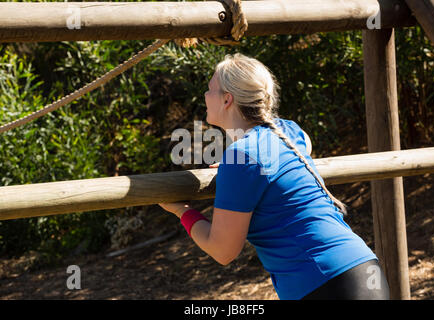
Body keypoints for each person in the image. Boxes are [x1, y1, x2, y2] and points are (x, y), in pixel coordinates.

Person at [159, 53, 390, 300]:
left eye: (210, 89)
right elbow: (302, 148)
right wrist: (236, 171)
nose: (205, 95)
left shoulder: (243, 155)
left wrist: (182, 211)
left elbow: (223, 250)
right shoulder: (287, 132)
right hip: (363, 269)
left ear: (227, 99)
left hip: (325, 283)